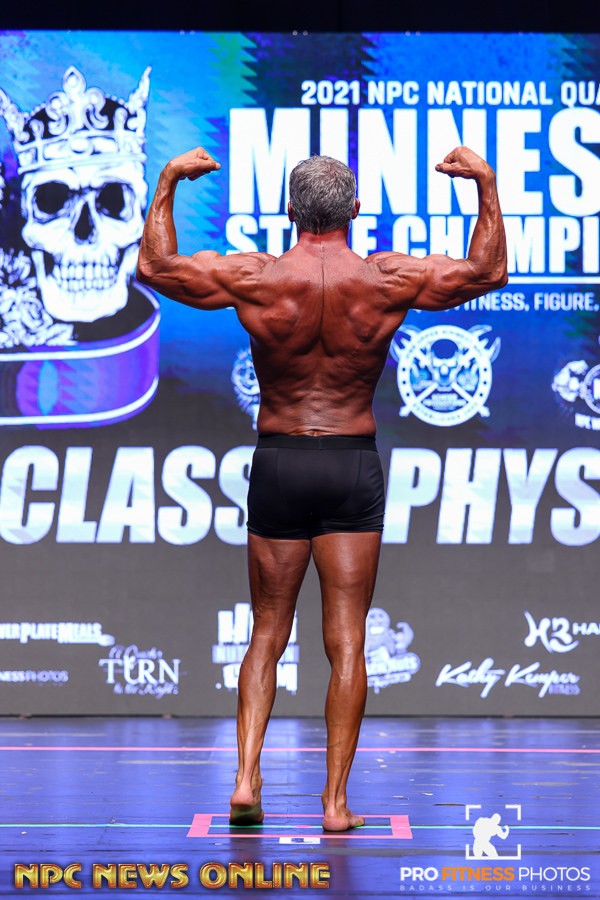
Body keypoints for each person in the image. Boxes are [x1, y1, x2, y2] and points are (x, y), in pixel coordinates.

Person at [137, 145, 507, 832]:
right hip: (349, 464)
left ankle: (246, 778)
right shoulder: (387, 279)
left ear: (289, 211)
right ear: (355, 210)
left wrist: (168, 182)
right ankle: (334, 804)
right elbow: (488, 271)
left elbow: (155, 267)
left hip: (280, 461)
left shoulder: (257, 277)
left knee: (267, 631)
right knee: (348, 640)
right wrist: (484, 183)